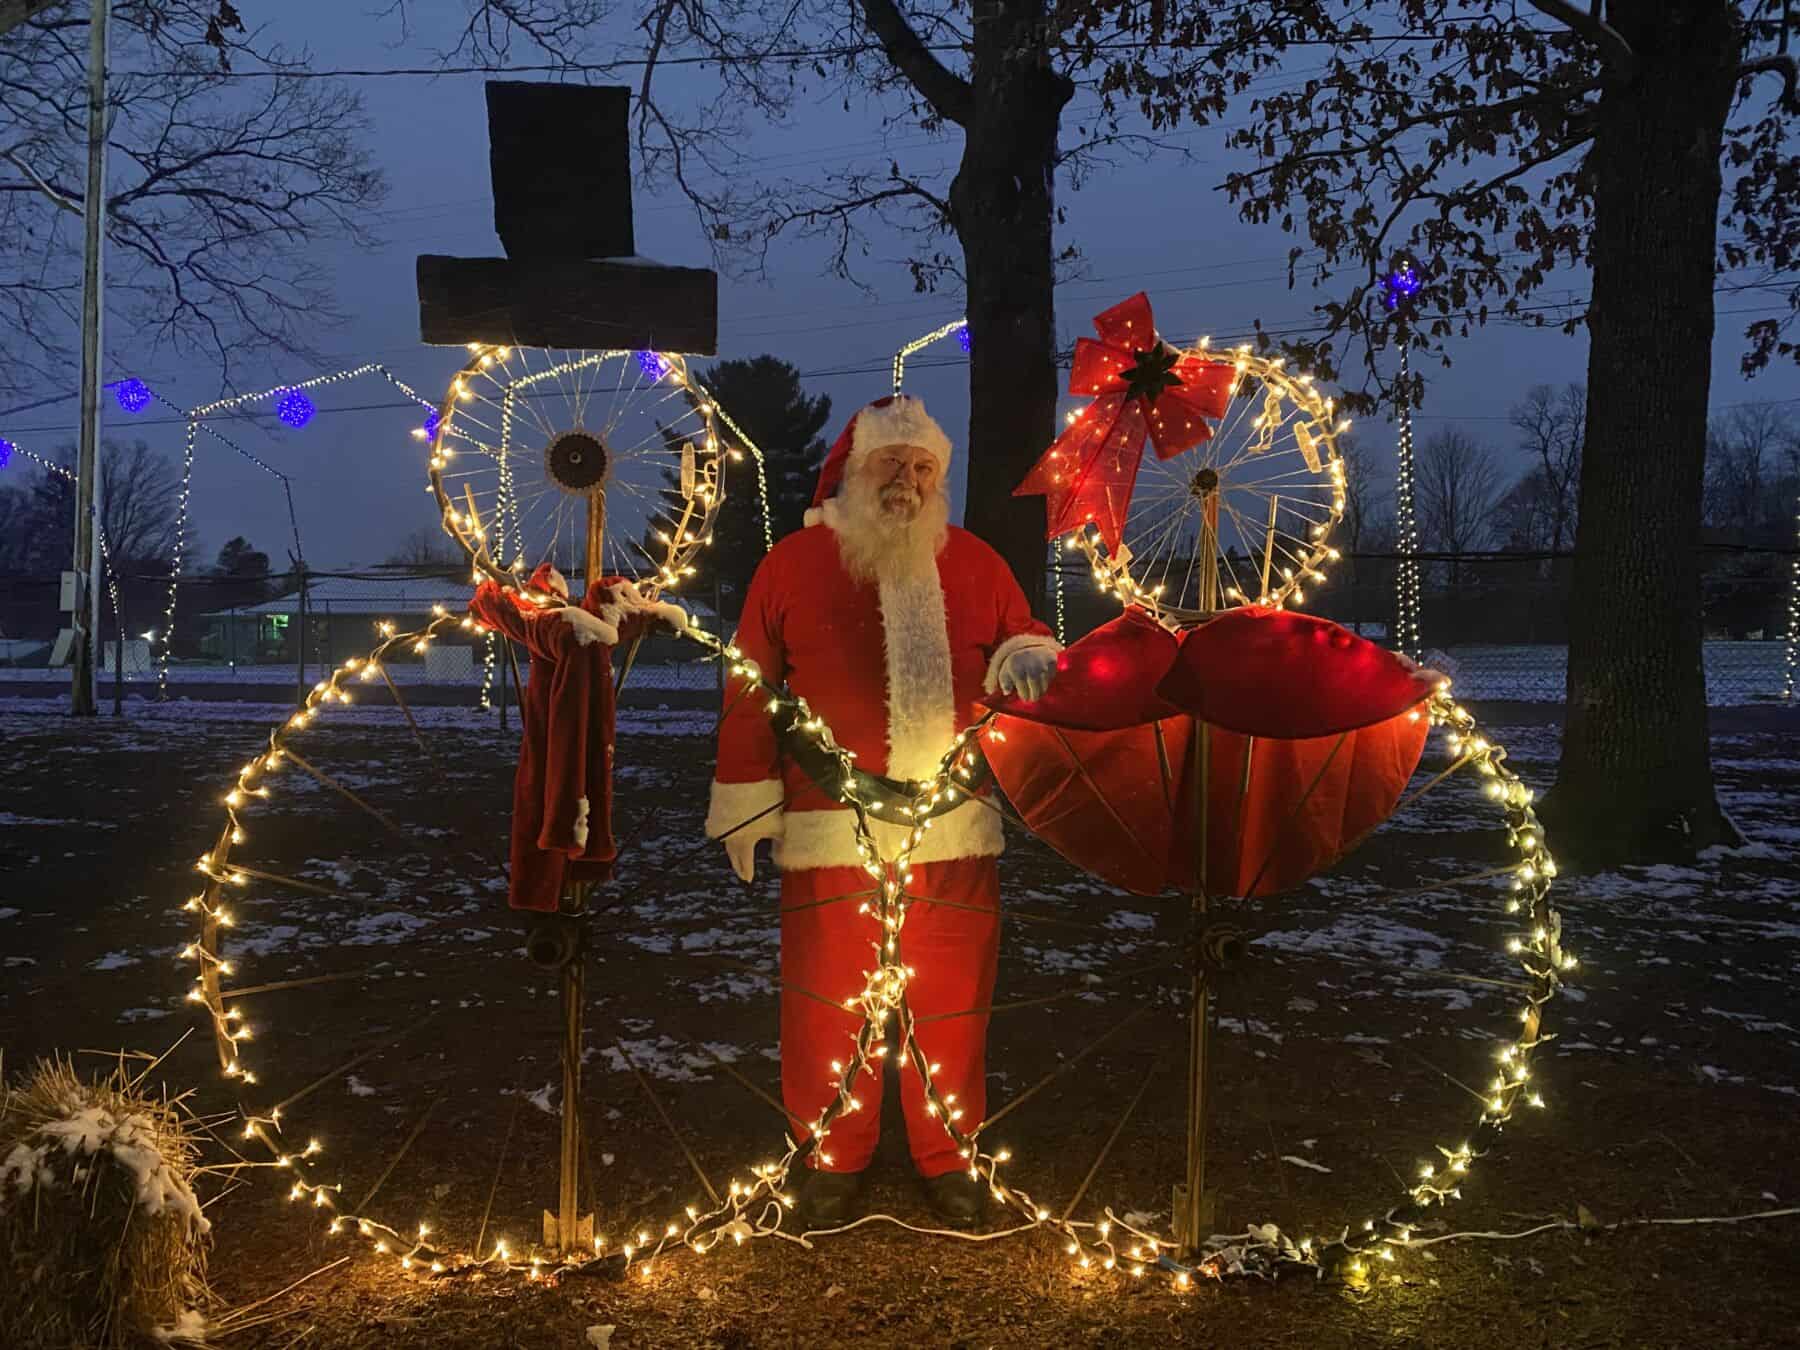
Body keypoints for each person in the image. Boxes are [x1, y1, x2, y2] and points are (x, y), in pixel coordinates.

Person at [706, 394, 1061, 1228]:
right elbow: (751, 682)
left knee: (952, 1001)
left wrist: (1028, 655)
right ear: (855, 471)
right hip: (830, 828)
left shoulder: (976, 562)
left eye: (924, 466)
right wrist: (745, 794)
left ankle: (950, 1155)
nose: (908, 479)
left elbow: (1021, 632)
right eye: (892, 462)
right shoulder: (793, 563)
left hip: (953, 828)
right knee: (828, 1004)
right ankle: (832, 1155)